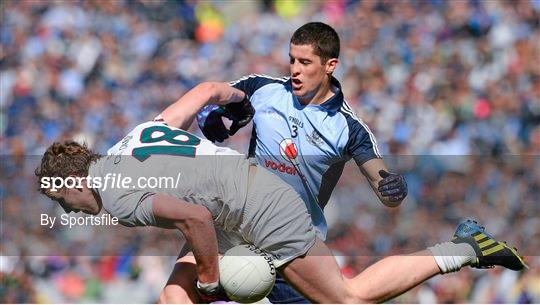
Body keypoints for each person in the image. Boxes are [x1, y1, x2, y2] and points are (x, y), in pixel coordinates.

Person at [36, 87, 527, 304]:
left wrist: (210, 279)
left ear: (76, 182)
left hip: (261, 209)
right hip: (234, 204)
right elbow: (208, 87)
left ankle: (464, 248)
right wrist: (238, 101)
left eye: (62, 200)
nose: (69, 210)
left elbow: (193, 220)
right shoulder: (136, 135)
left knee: (346, 299)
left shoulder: (114, 195)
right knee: (172, 298)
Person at [196, 22, 407, 303]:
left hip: (294, 247)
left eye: (305, 62)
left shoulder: (348, 128)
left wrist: (393, 187)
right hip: (240, 232)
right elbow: (211, 97)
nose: (294, 69)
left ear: (330, 65)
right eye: (292, 59)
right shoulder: (262, 89)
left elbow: (382, 183)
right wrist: (209, 114)